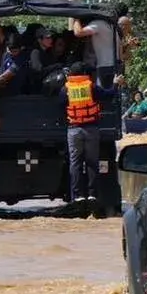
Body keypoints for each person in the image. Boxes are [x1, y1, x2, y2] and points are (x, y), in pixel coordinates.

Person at [63, 61, 104, 213]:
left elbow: (61, 103)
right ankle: (92, 195)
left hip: (74, 130)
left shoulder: (66, 89)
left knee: (75, 164)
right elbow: (107, 95)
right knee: (92, 163)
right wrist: (115, 84)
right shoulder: (91, 86)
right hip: (91, 129)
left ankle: (77, 196)